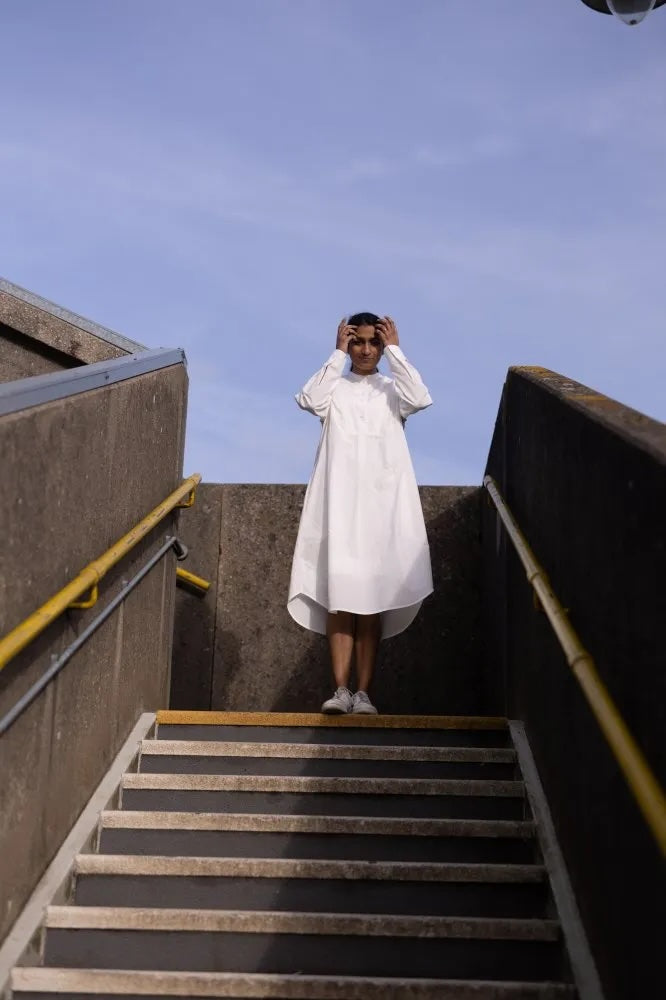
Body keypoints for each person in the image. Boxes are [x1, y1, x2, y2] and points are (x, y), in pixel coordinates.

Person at [287, 313, 433, 714]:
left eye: (373, 343)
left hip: (381, 508)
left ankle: (364, 693)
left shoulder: (392, 390)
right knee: (340, 599)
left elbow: (420, 397)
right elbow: (309, 399)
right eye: (358, 342)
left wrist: (396, 350)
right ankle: (340, 689)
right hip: (339, 505)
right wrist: (336, 354)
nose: (366, 350)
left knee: (372, 599)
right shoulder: (335, 388)